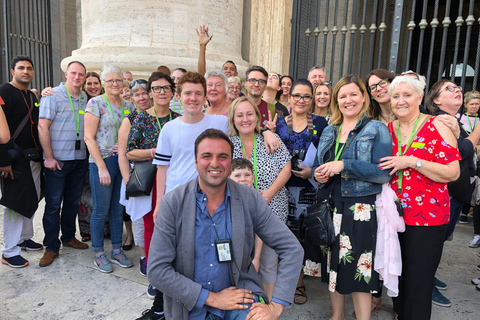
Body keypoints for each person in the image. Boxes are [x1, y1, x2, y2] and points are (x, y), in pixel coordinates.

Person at [147, 128, 303, 320]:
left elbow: (292, 249)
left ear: (230, 163)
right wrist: (213, 298)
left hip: (241, 298)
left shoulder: (250, 199)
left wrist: (276, 305)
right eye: (206, 156)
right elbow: (156, 270)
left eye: (222, 156)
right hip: (190, 306)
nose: (215, 163)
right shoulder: (173, 203)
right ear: (195, 162)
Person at [378, 75, 461, 320]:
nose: (401, 101)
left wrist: (413, 161)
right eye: (396, 96)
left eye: (407, 95)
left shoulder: (437, 125)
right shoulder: (386, 130)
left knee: (419, 281)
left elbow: (452, 172)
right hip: (393, 217)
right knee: (398, 279)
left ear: (420, 97)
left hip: (428, 219)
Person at [312, 74, 391, 320]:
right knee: (333, 264)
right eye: (343, 96)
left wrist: (344, 165)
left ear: (364, 97)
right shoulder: (329, 130)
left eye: (353, 94)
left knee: (359, 267)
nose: (348, 100)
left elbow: (382, 173)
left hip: (360, 207)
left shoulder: (376, 128)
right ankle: (338, 315)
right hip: (330, 205)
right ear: (337, 100)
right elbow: (318, 168)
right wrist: (320, 175)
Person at [152, 72, 280, 222]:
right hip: (176, 198)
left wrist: (265, 132)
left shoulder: (220, 123)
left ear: (205, 97)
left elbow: (245, 124)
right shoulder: (168, 128)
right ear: (179, 96)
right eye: (188, 93)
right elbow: (162, 169)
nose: (193, 98)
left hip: (209, 201)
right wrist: (159, 202)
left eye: (198, 93)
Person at [228, 96, 292, 301]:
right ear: (233, 119)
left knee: (268, 262)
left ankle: (268, 306)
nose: (245, 119)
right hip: (237, 215)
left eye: (249, 114)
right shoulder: (228, 145)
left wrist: (269, 193)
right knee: (238, 262)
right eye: (240, 115)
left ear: (257, 116)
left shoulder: (271, 139)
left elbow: (287, 168)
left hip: (271, 210)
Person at [424, 79, 480, 308]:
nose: (457, 90)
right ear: (436, 100)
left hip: (455, 193)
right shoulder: (440, 120)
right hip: (443, 193)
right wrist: (477, 133)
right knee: (433, 243)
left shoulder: (456, 120)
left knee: (441, 241)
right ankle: (425, 285)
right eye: (450, 89)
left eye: (458, 88)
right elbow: (460, 150)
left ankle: (430, 276)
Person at [275, 79, 328, 305]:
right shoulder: (278, 123)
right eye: (297, 95)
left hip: (309, 189)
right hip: (282, 188)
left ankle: (299, 283)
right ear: (289, 97)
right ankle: (281, 281)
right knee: (284, 236)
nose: (301, 100)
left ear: (312, 99)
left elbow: (328, 155)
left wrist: (313, 172)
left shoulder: (320, 122)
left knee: (302, 238)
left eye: (306, 96)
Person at [37, 61, 90, 267]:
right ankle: (51, 247)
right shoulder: (52, 96)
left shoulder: (84, 97)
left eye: (81, 74)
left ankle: (68, 237)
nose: (77, 77)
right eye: (74, 73)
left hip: (78, 160)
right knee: (53, 205)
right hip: (57, 162)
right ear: (66, 74)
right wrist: (49, 157)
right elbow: (43, 126)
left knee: (72, 202)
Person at [84, 64, 135, 273]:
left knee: (117, 209)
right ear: (104, 83)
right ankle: (98, 253)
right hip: (102, 162)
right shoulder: (95, 104)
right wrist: (101, 167)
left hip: (121, 162)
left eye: (118, 80)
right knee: (101, 210)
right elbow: (89, 137)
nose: (115, 84)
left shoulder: (128, 106)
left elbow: (132, 134)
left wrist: (125, 146)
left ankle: (116, 250)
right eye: (110, 80)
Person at [0, 55, 44, 268]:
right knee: (14, 204)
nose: (26, 71)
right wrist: (3, 160)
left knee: (31, 199)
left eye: (29, 68)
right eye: (21, 68)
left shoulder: (30, 95)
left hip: (32, 156)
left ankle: (24, 238)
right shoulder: (4, 92)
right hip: (13, 160)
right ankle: (9, 250)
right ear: (12, 72)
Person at [117, 78, 152, 275]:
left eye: (145, 92)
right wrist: (127, 180)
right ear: (132, 98)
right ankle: (144, 257)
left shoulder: (160, 117)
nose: (142, 97)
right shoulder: (128, 121)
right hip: (137, 176)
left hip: (159, 174)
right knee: (139, 218)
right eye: (137, 94)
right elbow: (122, 154)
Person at [458, 90, 480, 225]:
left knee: (475, 182)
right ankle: (463, 212)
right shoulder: (458, 118)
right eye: (472, 104)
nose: (474, 106)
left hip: (477, 155)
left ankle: (468, 209)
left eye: (477, 104)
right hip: (463, 154)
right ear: (466, 104)